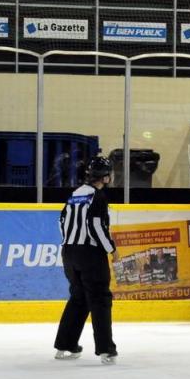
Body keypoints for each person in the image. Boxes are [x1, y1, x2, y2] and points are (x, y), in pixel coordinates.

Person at [54, 156, 119, 365]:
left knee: (78, 298)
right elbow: (97, 226)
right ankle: (106, 350)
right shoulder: (98, 197)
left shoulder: (74, 194)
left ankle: (65, 345)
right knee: (100, 299)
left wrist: (69, 245)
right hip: (90, 255)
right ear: (106, 177)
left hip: (69, 252)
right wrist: (111, 249)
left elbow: (62, 222)